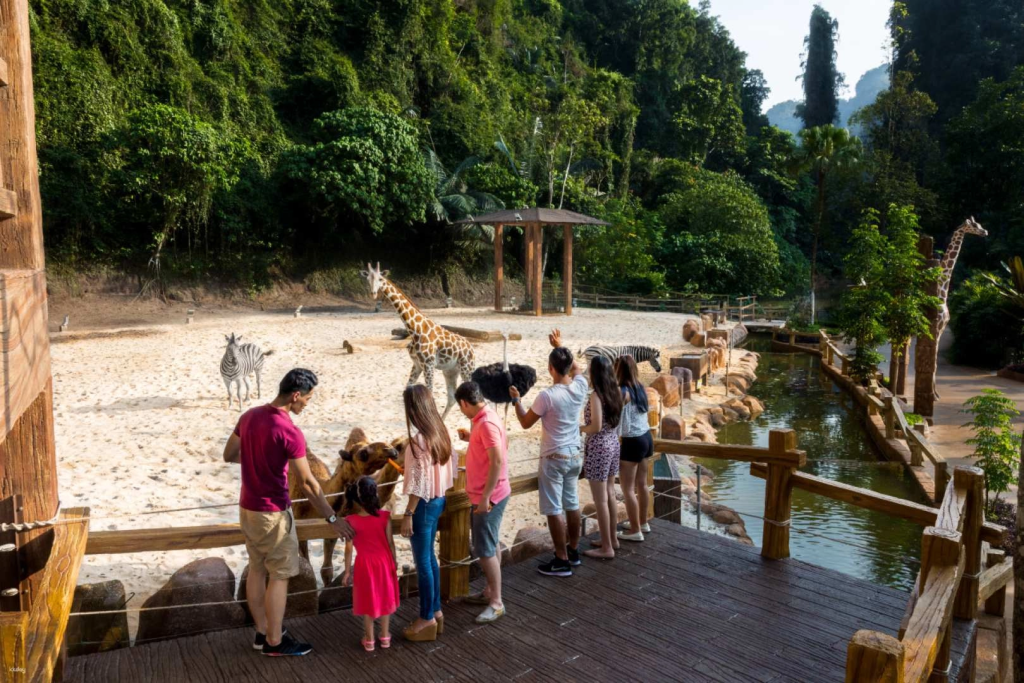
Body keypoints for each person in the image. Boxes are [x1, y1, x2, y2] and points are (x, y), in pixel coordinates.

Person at [223, 368, 353, 657]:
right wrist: (332, 518)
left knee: (257, 569)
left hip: (247, 508)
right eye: (307, 398)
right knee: (280, 575)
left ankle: (262, 632)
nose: (307, 403)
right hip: (273, 514)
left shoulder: (249, 416)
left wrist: (257, 458)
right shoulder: (289, 431)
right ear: (295, 395)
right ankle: (275, 642)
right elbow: (308, 483)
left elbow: (229, 454)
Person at [509, 329, 588, 577]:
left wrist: (517, 400)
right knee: (572, 504)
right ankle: (573, 551)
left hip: (554, 456)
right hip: (575, 454)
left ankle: (561, 559)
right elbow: (577, 368)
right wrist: (560, 347)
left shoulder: (547, 396)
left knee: (554, 508)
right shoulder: (580, 386)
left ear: (550, 368)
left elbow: (525, 422)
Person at [398, 385, 455, 642]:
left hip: (422, 505)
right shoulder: (441, 432)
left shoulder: (418, 441)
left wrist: (408, 513)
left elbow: (418, 483)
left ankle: (426, 618)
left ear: (414, 409)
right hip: (439, 500)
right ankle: (436, 611)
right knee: (430, 558)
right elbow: (450, 467)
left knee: (423, 562)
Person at [455, 381, 510, 623]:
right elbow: (496, 447)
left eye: (461, 407)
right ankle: (490, 591)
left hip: (488, 496)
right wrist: (472, 438)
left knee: (485, 551)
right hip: (493, 493)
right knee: (491, 543)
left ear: (464, 403)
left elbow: (497, 460)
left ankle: (497, 602)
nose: (462, 411)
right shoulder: (487, 417)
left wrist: (486, 497)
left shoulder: (485, 423)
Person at [341, 476, 400, 652]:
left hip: (364, 564)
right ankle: (385, 637)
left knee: (368, 601)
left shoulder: (350, 520)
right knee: (385, 598)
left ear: (357, 497)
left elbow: (348, 549)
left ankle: (369, 640)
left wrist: (347, 572)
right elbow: (390, 543)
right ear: (375, 494)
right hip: (384, 562)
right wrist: (394, 561)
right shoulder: (385, 517)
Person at [580, 355, 623, 559]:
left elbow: (595, 426)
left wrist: (580, 428)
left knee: (600, 500)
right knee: (610, 493)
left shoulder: (596, 396)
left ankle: (607, 548)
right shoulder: (615, 393)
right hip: (613, 443)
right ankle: (612, 539)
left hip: (599, 447)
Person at [616, 355, 655, 541]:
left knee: (628, 489)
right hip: (646, 437)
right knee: (642, 484)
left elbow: (616, 418)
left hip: (632, 440)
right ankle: (642, 522)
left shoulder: (622, 391)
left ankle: (635, 530)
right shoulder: (640, 388)